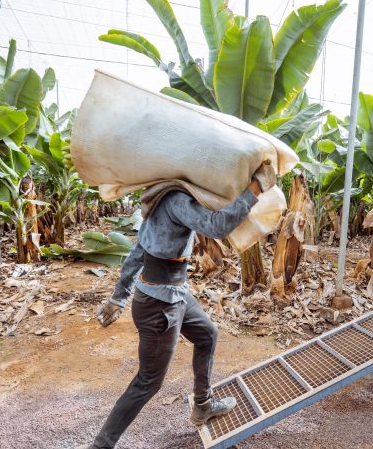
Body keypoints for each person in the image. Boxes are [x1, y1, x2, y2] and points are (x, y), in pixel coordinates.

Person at [87, 162, 278, 449]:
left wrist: (119, 295)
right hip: (159, 304)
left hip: (174, 294)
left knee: (207, 335)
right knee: (148, 381)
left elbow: (139, 250)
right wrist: (255, 187)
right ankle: (101, 445)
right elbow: (217, 227)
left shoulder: (159, 195)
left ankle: (203, 403)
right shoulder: (176, 199)